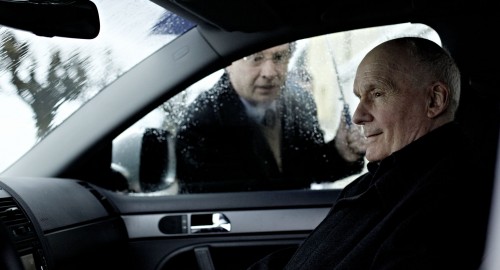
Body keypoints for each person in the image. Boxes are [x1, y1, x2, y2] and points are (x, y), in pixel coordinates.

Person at [247, 37, 493, 269]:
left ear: (434, 101)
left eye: (377, 93)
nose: (358, 115)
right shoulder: (390, 178)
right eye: (359, 97)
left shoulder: (444, 202)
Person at [175, 43, 366, 193]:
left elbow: (309, 168)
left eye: (279, 57)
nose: (270, 72)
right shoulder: (201, 121)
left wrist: (341, 153)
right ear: (228, 63)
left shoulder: (300, 101)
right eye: (255, 57)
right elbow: (201, 206)